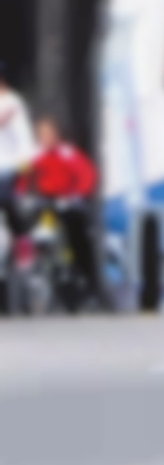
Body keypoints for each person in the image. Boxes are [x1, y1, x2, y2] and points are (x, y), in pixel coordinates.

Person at [21, 117, 99, 310]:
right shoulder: (34, 154)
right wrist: (22, 194)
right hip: (45, 202)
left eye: (49, 134)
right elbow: (22, 177)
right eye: (42, 135)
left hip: (67, 201)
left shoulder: (67, 152)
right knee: (38, 225)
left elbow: (86, 174)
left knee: (76, 233)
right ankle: (36, 261)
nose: (46, 138)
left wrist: (78, 194)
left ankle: (82, 273)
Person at [0, 61, 36, 309]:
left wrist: (25, 166)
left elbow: (25, 142)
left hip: (8, 167)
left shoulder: (13, 104)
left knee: (8, 200)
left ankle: (21, 239)